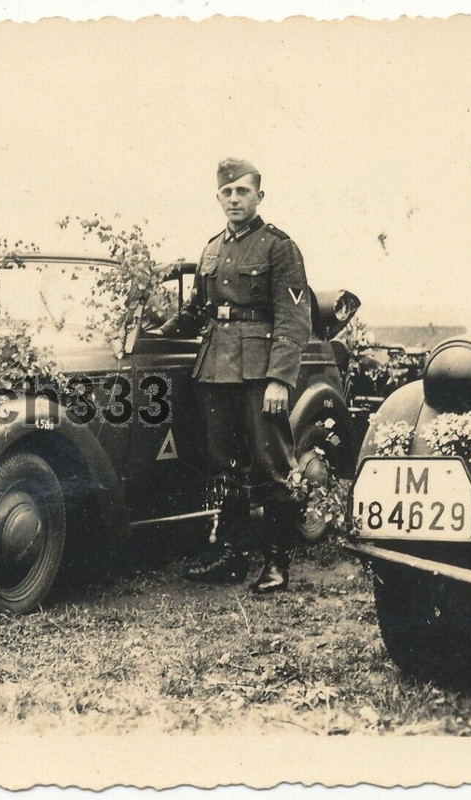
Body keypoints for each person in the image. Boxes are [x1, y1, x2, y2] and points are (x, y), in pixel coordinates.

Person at [161, 158, 312, 593]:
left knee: (272, 465)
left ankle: (277, 562)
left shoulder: (278, 247)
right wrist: (160, 329)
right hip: (215, 370)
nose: (234, 199)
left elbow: (293, 319)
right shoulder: (211, 249)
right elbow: (197, 312)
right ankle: (231, 555)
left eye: (242, 191)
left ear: (258, 196)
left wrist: (280, 378)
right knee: (223, 466)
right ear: (218, 197)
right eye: (226, 192)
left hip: (259, 373)